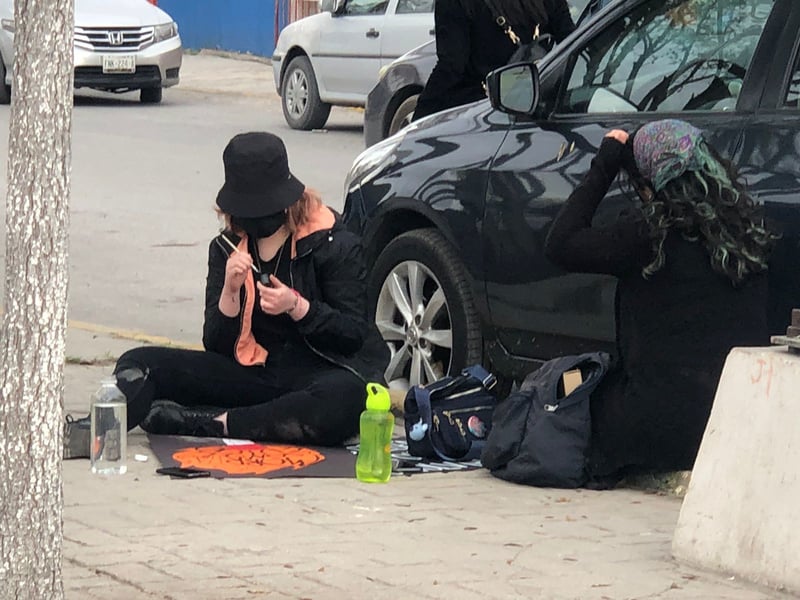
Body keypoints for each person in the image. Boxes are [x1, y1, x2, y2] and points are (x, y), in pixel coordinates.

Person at [65, 132, 389, 453]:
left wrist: (298, 308)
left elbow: (353, 335)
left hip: (321, 373)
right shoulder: (226, 248)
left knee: (344, 401)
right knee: (140, 362)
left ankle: (212, 423)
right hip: (255, 373)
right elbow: (216, 345)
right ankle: (94, 432)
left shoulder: (334, 243)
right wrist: (230, 293)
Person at [544, 119, 777, 487]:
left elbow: (560, 243)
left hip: (655, 428)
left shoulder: (649, 236)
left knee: (563, 386)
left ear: (650, 184)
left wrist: (605, 165)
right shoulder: (749, 234)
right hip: (733, 427)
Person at [412, 0, 575, 121]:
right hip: (541, 107)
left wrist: (421, 115)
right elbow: (571, 42)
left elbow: (452, 65)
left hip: (481, 112)